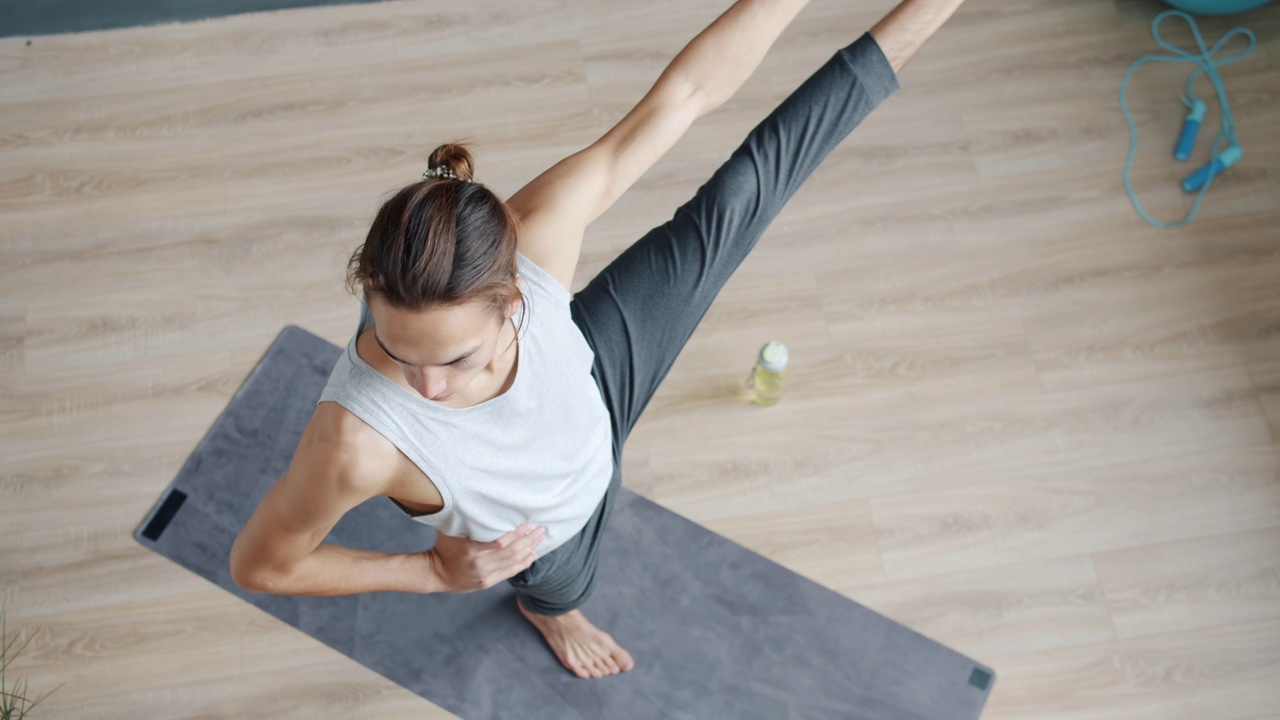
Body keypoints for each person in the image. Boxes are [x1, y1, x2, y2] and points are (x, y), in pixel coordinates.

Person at [230, 0, 967, 681]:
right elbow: (262, 564)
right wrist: (431, 574)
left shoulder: (538, 237)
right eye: (396, 350)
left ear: (512, 295)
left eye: (456, 358)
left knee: (743, 195)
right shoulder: (357, 443)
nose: (426, 388)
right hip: (545, 531)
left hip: (594, 376)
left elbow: (685, 94)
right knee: (558, 589)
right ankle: (549, 613)